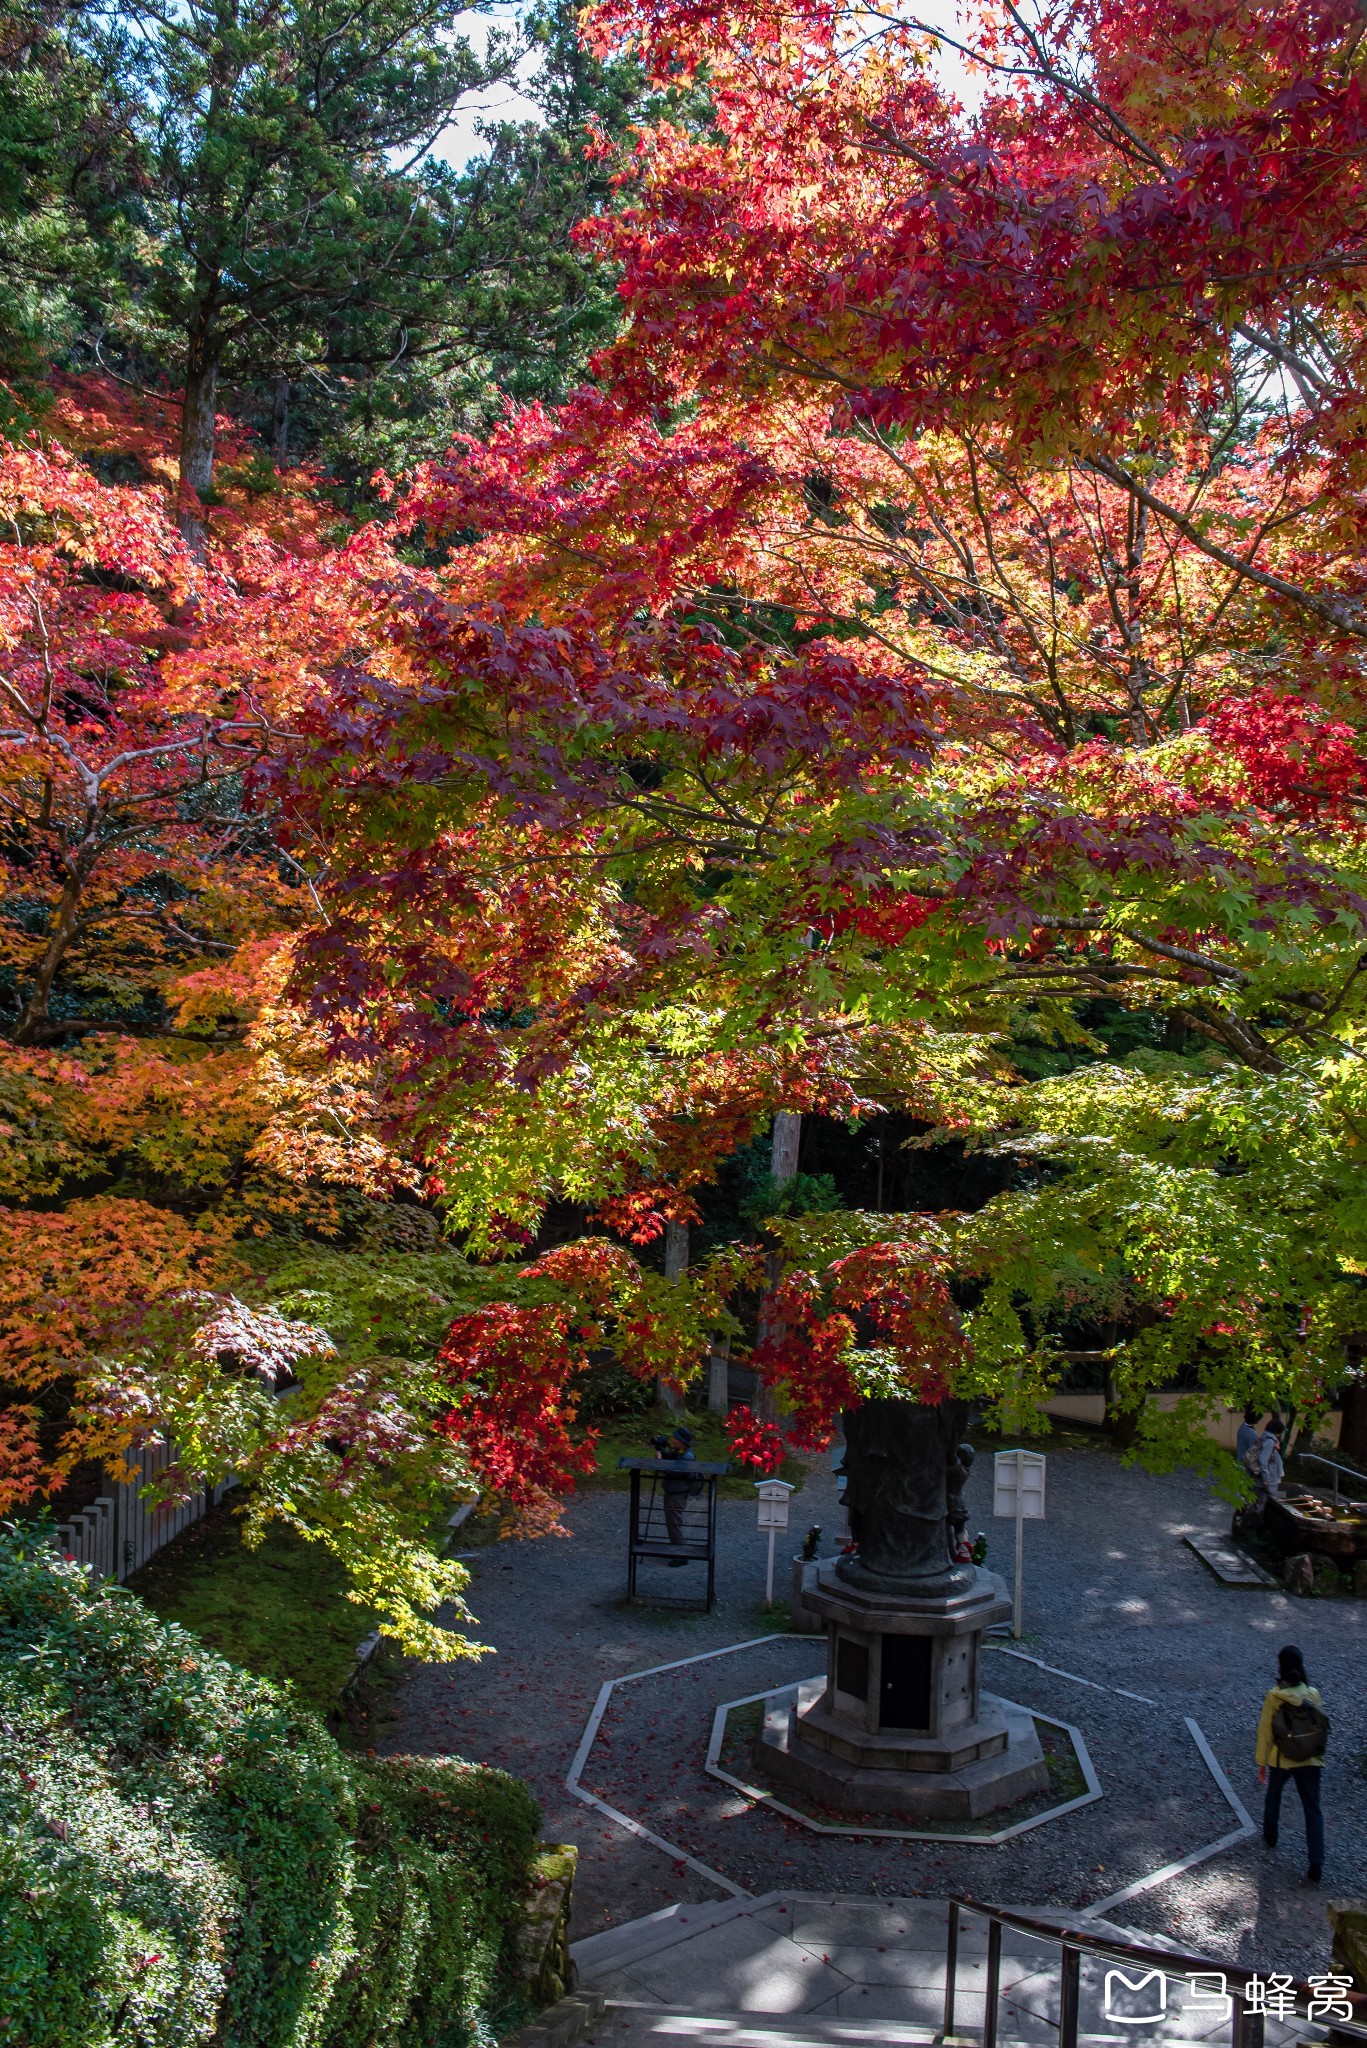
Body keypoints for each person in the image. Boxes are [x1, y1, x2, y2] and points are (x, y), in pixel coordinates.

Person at [1257, 1643, 1328, 1883]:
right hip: (1310, 1760)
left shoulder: (1274, 1696)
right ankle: (1316, 1861)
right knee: (1313, 1809)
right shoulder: (1313, 1694)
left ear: (1282, 1666)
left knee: (1274, 1796)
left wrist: (1261, 1762)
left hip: (1282, 1759)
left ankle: (1270, 1834)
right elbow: (1319, 1727)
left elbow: (1266, 1732)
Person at [657, 1425, 700, 1563]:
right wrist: (662, 1452)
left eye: (675, 1438)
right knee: (672, 1523)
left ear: (682, 1441)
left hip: (677, 1494)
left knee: (674, 1523)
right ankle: (676, 1550)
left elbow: (671, 1471)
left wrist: (660, 1461)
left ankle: (681, 1555)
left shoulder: (687, 1457)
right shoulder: (681, 1452)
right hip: (673, 1491)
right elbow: (671, 1458)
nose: (673, 1440)